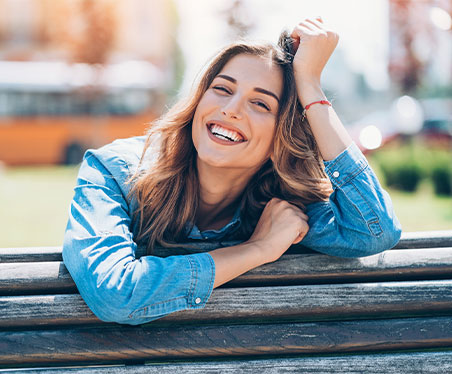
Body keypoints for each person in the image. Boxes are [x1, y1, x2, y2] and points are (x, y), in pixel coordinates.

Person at [63, 18, 401, 325]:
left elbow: (374, 230)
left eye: (261, 104)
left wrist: (310, 87)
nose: (231, 109)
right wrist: (257, 250)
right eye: (222, 89)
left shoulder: (278, 208)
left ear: (281, 137)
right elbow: (116, 293)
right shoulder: (115, 172)